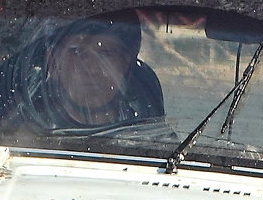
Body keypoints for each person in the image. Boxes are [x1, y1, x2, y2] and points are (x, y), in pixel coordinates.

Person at [20, 9, 164, 132]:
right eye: (76, 52)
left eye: (106, 53)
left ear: (126, 63)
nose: (92, 69)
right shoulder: (22, 137)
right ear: (53, 61)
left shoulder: (149, 135)